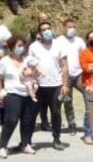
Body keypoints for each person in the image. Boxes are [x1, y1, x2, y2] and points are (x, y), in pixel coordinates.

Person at [27, 21, 70, 150]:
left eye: (48, 28)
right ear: (39, 33)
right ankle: (27, 140)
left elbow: (64, 66)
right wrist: (31, 82)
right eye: (43, 29)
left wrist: (65, 85)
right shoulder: (34, 47)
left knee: (56, 113)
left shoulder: (59, 46)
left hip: (56, 85)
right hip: (38, 86)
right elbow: (28, 66)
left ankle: (57, 139)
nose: (47, 31)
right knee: (32, 114)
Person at [0, 36, 37, 159]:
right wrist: (0, 93)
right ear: (12, 47)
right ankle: (3, 147)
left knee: (27, 120)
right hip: (13, 94)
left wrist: (33, 73)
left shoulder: (28, 60)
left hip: (28, 94)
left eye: (23, 45)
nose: (21, 48)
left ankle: (25, 144)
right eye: (19, 46)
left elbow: (36, 73)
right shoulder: (4, 61)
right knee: (11, 120)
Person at [54, 18, 85, 134]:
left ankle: (91, 122)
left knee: (89, 96)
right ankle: (72, 125)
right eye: (69, 27)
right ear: (64, 27)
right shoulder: (58, 41)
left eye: (73, 27)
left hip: (79, 74)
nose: (72, 29)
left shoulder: (79, 41)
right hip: (65, 76)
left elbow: (85, 55)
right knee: (67, 101)